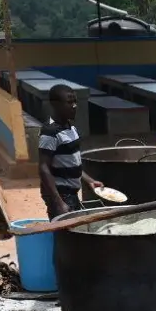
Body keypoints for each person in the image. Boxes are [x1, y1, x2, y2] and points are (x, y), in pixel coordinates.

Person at [38, 84, 103, 219]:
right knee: (68, 235)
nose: (74, 106)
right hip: (61, 194)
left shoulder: (70, 128)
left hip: (71, 194)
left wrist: (89, 181)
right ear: (55, 105)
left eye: (75, 102)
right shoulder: (50, 132)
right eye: (69, 102)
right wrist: (58, 202)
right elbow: (44, 168)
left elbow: (73, 164)